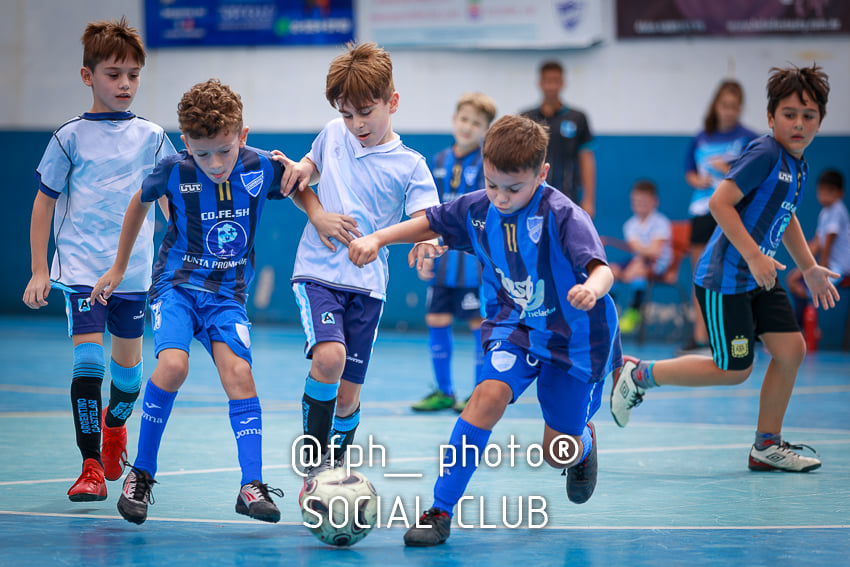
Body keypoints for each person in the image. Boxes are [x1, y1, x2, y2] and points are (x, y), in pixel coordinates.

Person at [348, 115, 623, 547]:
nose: (501, 197)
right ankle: (439, 510)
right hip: (513, 327)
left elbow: (601, 269)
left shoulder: (564, 216)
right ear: (484, 167)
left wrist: (591, 288)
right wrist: (379, 239)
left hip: (575, 338)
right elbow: (432, 223)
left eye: (514, 188)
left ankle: (583, 443)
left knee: (558, 452)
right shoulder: (477, 207)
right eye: (493, 184)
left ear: (542, 174)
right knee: (485, 397)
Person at [611, 64, 834, 473]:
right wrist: (752, 254)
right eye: (789, 114)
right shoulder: (765, 153)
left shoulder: (796, 164)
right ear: (770, 118)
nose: (799, 123)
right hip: (726, 280)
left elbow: (787, 217)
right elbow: (719, 203)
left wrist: (811, 266)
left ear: (820, 121)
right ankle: (640, 374)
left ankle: (767, 446)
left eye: (808, 116)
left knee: (790, 351)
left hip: (760, 276)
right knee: (733, 370)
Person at [89, 79, 290, 524]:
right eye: (202, 154)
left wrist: (316, 209)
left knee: (240, 375)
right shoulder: (172, 171)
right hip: (176, 288)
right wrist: (120, 267)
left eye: (224, 150)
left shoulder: (260, 166)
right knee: (173, 366)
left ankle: (251, 485)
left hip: (227, 297)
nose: (214, 164)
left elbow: (297, 181)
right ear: (186, 144)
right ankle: (141, 473)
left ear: (243, 135)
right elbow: (137, 205)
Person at [22, 17, 176, 502]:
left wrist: (187, 239)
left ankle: (114, 427)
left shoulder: (153, 137)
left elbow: (171, 198)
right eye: (114, 74)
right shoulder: (68, 138)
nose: (125, 84)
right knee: (88, 364)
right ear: (88, 76)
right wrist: (41, 268)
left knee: (128, 378)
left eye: (132, 74)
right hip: (83, 274)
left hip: (134, 276)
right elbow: (44, 201)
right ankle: (90, 464)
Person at [277, 42, 440, 485]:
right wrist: (313, 205)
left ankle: (336, 462)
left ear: (393, 102)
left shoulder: (411, 165)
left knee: (347, 399)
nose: (356, 124)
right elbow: (303, 176)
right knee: (329, 359)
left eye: (365, 112)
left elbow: (427, 220)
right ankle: (316, 465)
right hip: (319, 272)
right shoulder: (333, 134)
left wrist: (426, 239)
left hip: (368, 287)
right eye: (347, 114)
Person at [411, 92, 496, 413]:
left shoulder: (488, 163)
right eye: (464, 119)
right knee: (436, 317)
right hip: (442, 260)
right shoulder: (438, 161)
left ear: (486, 129)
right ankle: (445, 391)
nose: (468, 127)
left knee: (478, 322)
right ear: (453, 120)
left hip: (474, 264)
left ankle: (478, 394)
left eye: (476, 123)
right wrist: (424, 246)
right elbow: (428, 211)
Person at [681, 79, 758, 353]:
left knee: (733, 273)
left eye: (734, 107)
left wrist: (728, 169)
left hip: (733, 212)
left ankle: (734, 333)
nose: (729, 111)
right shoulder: (701, 137)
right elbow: (689, 172)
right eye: (725, 105)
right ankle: (699, 335)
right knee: (700, 273)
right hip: (703, 211)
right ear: (716, 105)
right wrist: (697, 180)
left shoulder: (749, 139)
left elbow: (754, 177)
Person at [521, 60, 596, 218]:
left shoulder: (578, 118)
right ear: (540, 83)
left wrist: (589, 200)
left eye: (555, 81)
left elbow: (586, 160)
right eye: (547, 81)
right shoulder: (526, 118)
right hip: (532, 197)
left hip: (568, 197)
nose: (551, 87)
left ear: (562, 83)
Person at [786, 169, 850, 329]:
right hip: (828, 264)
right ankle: (805, 328)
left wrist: (820, 266)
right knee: (794, 282)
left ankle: (806, 330)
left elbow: (828, 241)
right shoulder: (825, 212)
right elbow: (816, 243)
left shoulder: (837, 210)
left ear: (840, 193)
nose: (824, 196)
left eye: (829, 192)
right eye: (821, 191)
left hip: (839, 268)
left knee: (813, 286)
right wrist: (801, 268)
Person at [611, 180, 673, 334]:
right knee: (610, 271)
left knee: (638, 276)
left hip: (658, 264)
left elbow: (654, 252)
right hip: (637, 261)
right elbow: (640, 249)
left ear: (655, 202)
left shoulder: (662, 222)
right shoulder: (630, 224)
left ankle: (634, 312)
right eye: (637, 201)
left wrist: (636, 265)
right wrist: (633, 265)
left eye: (645, 201)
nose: (640, 205)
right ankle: (609, 314)